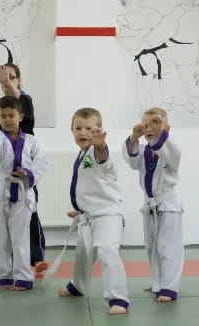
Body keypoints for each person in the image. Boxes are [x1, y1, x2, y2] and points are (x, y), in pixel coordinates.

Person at [58, 108, 129, 315]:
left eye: (89, 128)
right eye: (78, 128)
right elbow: (88, 188)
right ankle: (78, 285)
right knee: (82, 254)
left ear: (98, 131)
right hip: (89, 216)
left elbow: (103, 161)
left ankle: (118, 297)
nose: (83, 132)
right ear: (71, 131)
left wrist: (101, 146)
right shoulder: (81, 155)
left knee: (108, 251)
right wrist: (80, 211)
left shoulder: (96, 152)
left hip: (108, 215)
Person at [0, 95, 47, 290]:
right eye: (3, 116)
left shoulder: (31, 141)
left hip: (22, 189)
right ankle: (3, 275)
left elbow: (41, 162)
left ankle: (23, 277)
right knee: (0, 234)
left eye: (11, 115)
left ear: (20, 116)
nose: (7, 119)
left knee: (20, 235)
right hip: (0, 187)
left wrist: (29, 173)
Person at [0, 63, 47, 272]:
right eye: (3, 77)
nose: (7, 80)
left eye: (12, 77)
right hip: (0, 167)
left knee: (29, 211)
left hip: (24, 163)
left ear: (19, 80)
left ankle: (36, 257)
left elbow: (17, 99)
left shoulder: (25, 100)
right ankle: (5, 259)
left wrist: (6, 82)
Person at [121, 107, 184, 301]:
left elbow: (172, 154)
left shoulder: (171, 150)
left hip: (168, 205)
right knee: (151, 246)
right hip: (149, 205)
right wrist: (133, 137)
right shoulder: (143, 151)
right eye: (146, 125)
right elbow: (130, 161)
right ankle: (158, 283)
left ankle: (169, 287)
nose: (150, 128)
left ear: (167, 129)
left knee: (168, 247)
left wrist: (160, 133)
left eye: (156, 125)